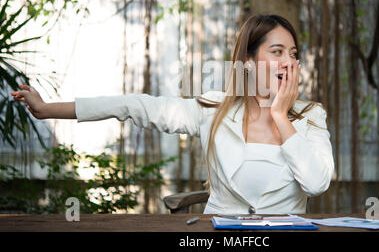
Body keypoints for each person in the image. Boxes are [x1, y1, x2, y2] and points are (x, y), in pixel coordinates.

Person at [11, 14, 334, 214]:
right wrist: (45, 109)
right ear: (247, 62)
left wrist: (280, 115)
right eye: (276, 52)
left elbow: (317, 183)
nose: (287, 62)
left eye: (292, 54)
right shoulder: (213, 110)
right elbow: (135, 106)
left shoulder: (311, 115)